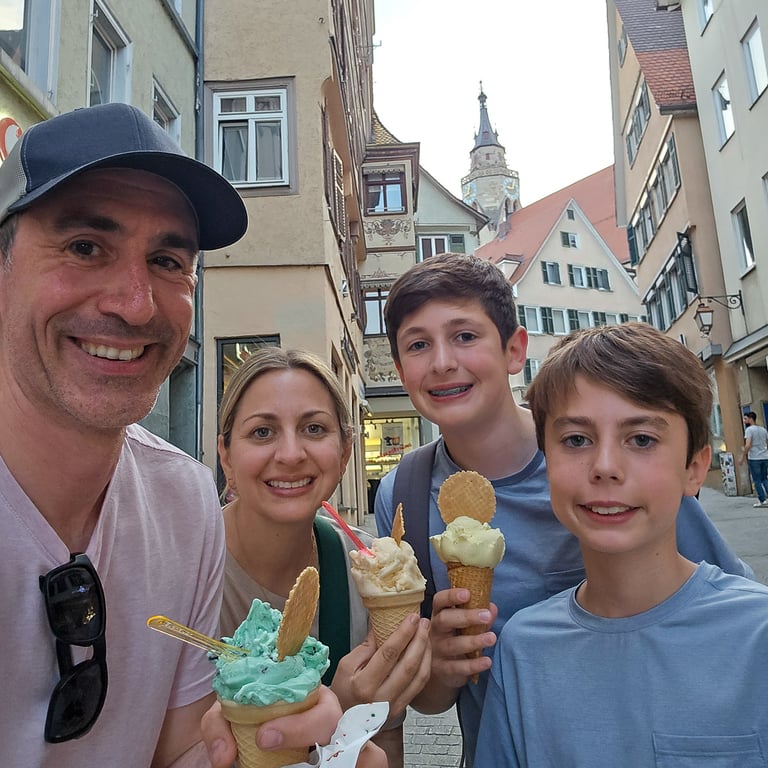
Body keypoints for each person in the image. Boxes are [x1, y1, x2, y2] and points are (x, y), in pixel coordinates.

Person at [0, 103, 384, 768]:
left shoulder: (182, 499)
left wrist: (288, 754)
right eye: (85, 248)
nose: (136, 302)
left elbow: (176, 753)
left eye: (168, 259)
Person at [374, 252, 753, 766]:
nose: (442, 361)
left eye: (465, 336)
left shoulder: (618, 476)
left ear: (514, 350)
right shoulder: (404, 496)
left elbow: (727, 620)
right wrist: (439, 667)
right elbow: (429, 694)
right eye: (419, 345)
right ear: (400, 368)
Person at [475, 323, 768, 766]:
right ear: (546, 462)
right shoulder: (523, 650)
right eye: (576, 440)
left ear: (694, 467)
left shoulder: (756, 636)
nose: (605, 467)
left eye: (642, 439)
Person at [217, 346, 431, 768]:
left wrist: (368, 716)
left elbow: (387, 746)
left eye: (314, 429)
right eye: (262, 432)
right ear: (226, 455)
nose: (292, 453)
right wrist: (343, 713)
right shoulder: (184, 569)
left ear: (345, 451)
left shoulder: (371, 572)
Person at [739, 411, 768, 507]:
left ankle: (762, 500)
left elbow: (748, 445)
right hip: (765, 457)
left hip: (755, 458)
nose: (744, 421)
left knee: (757, 480)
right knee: (764, 478)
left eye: (745, 419)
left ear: (751, 419)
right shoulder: (763, 430)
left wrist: (743, 456)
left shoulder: (749, 430)